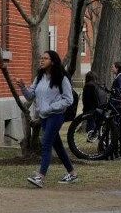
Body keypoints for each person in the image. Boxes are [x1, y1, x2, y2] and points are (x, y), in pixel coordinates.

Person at [17, 50, 78, 188]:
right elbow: (30, 96)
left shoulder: (61, 78)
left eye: (45, 58)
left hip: (56, 116)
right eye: (41, 58)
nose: (42, 60)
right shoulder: (39, 77)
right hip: (44, 117)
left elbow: (69, 100)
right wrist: (22, 87)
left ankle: (40, 177)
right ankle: (72, 173)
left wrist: (51, 107)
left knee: (45, 143)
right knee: (58, 145)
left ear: (53, 61)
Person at [82, 71, 101, 140]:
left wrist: (85, 109)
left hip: (90, 108)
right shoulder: (97, 85)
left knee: (91, 124)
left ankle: (91, 137)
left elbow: (86, 99)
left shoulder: (88, 86)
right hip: (97, 108)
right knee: (96, 123)